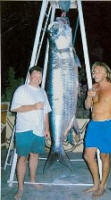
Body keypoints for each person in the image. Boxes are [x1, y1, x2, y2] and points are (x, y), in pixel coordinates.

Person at [84, 61, 111, 197]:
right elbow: (86, 106)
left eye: (97, 71)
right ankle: (96, 184)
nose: (94, 73)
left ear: (106, 73)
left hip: (107, 125)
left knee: (104, 156)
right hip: (93, 125)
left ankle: (102, 186)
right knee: (88, 156)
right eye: (93, 71)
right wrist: (89, 97)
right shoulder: (94, 87)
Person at [10, 66, 51, 200]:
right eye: (35, 75)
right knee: (22, 158)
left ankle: (32, 180)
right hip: (24, 129)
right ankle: (20, 188)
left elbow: (45, 112)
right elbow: (14, 108)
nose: (37, 78)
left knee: (35, 156)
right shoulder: (21, 90)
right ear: (30, 76)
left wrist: (47, 128)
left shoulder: (43, 92)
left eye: (40, 76)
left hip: (38, 130)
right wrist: (33, 107)